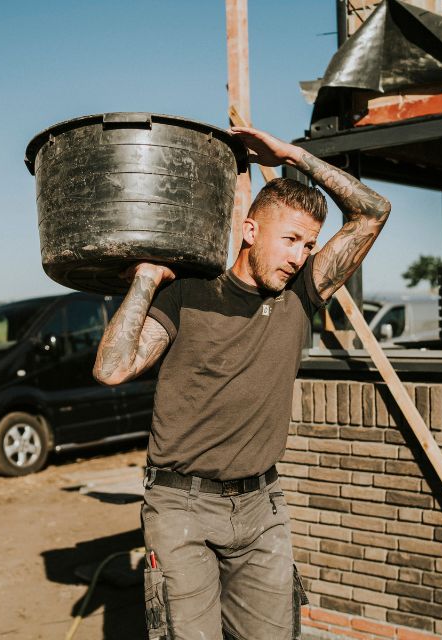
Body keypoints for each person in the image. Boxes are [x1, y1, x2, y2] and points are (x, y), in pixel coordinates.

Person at [93, 126, 391, 640]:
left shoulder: (301, 294)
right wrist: (146, 278)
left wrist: (292, 155)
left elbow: (373, 212)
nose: (299, 256)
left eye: (309, 244)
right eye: (290, 240)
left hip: (261, 505)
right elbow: (112, 369)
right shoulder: (187, 293)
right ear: (250, 231)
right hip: (181, 505)